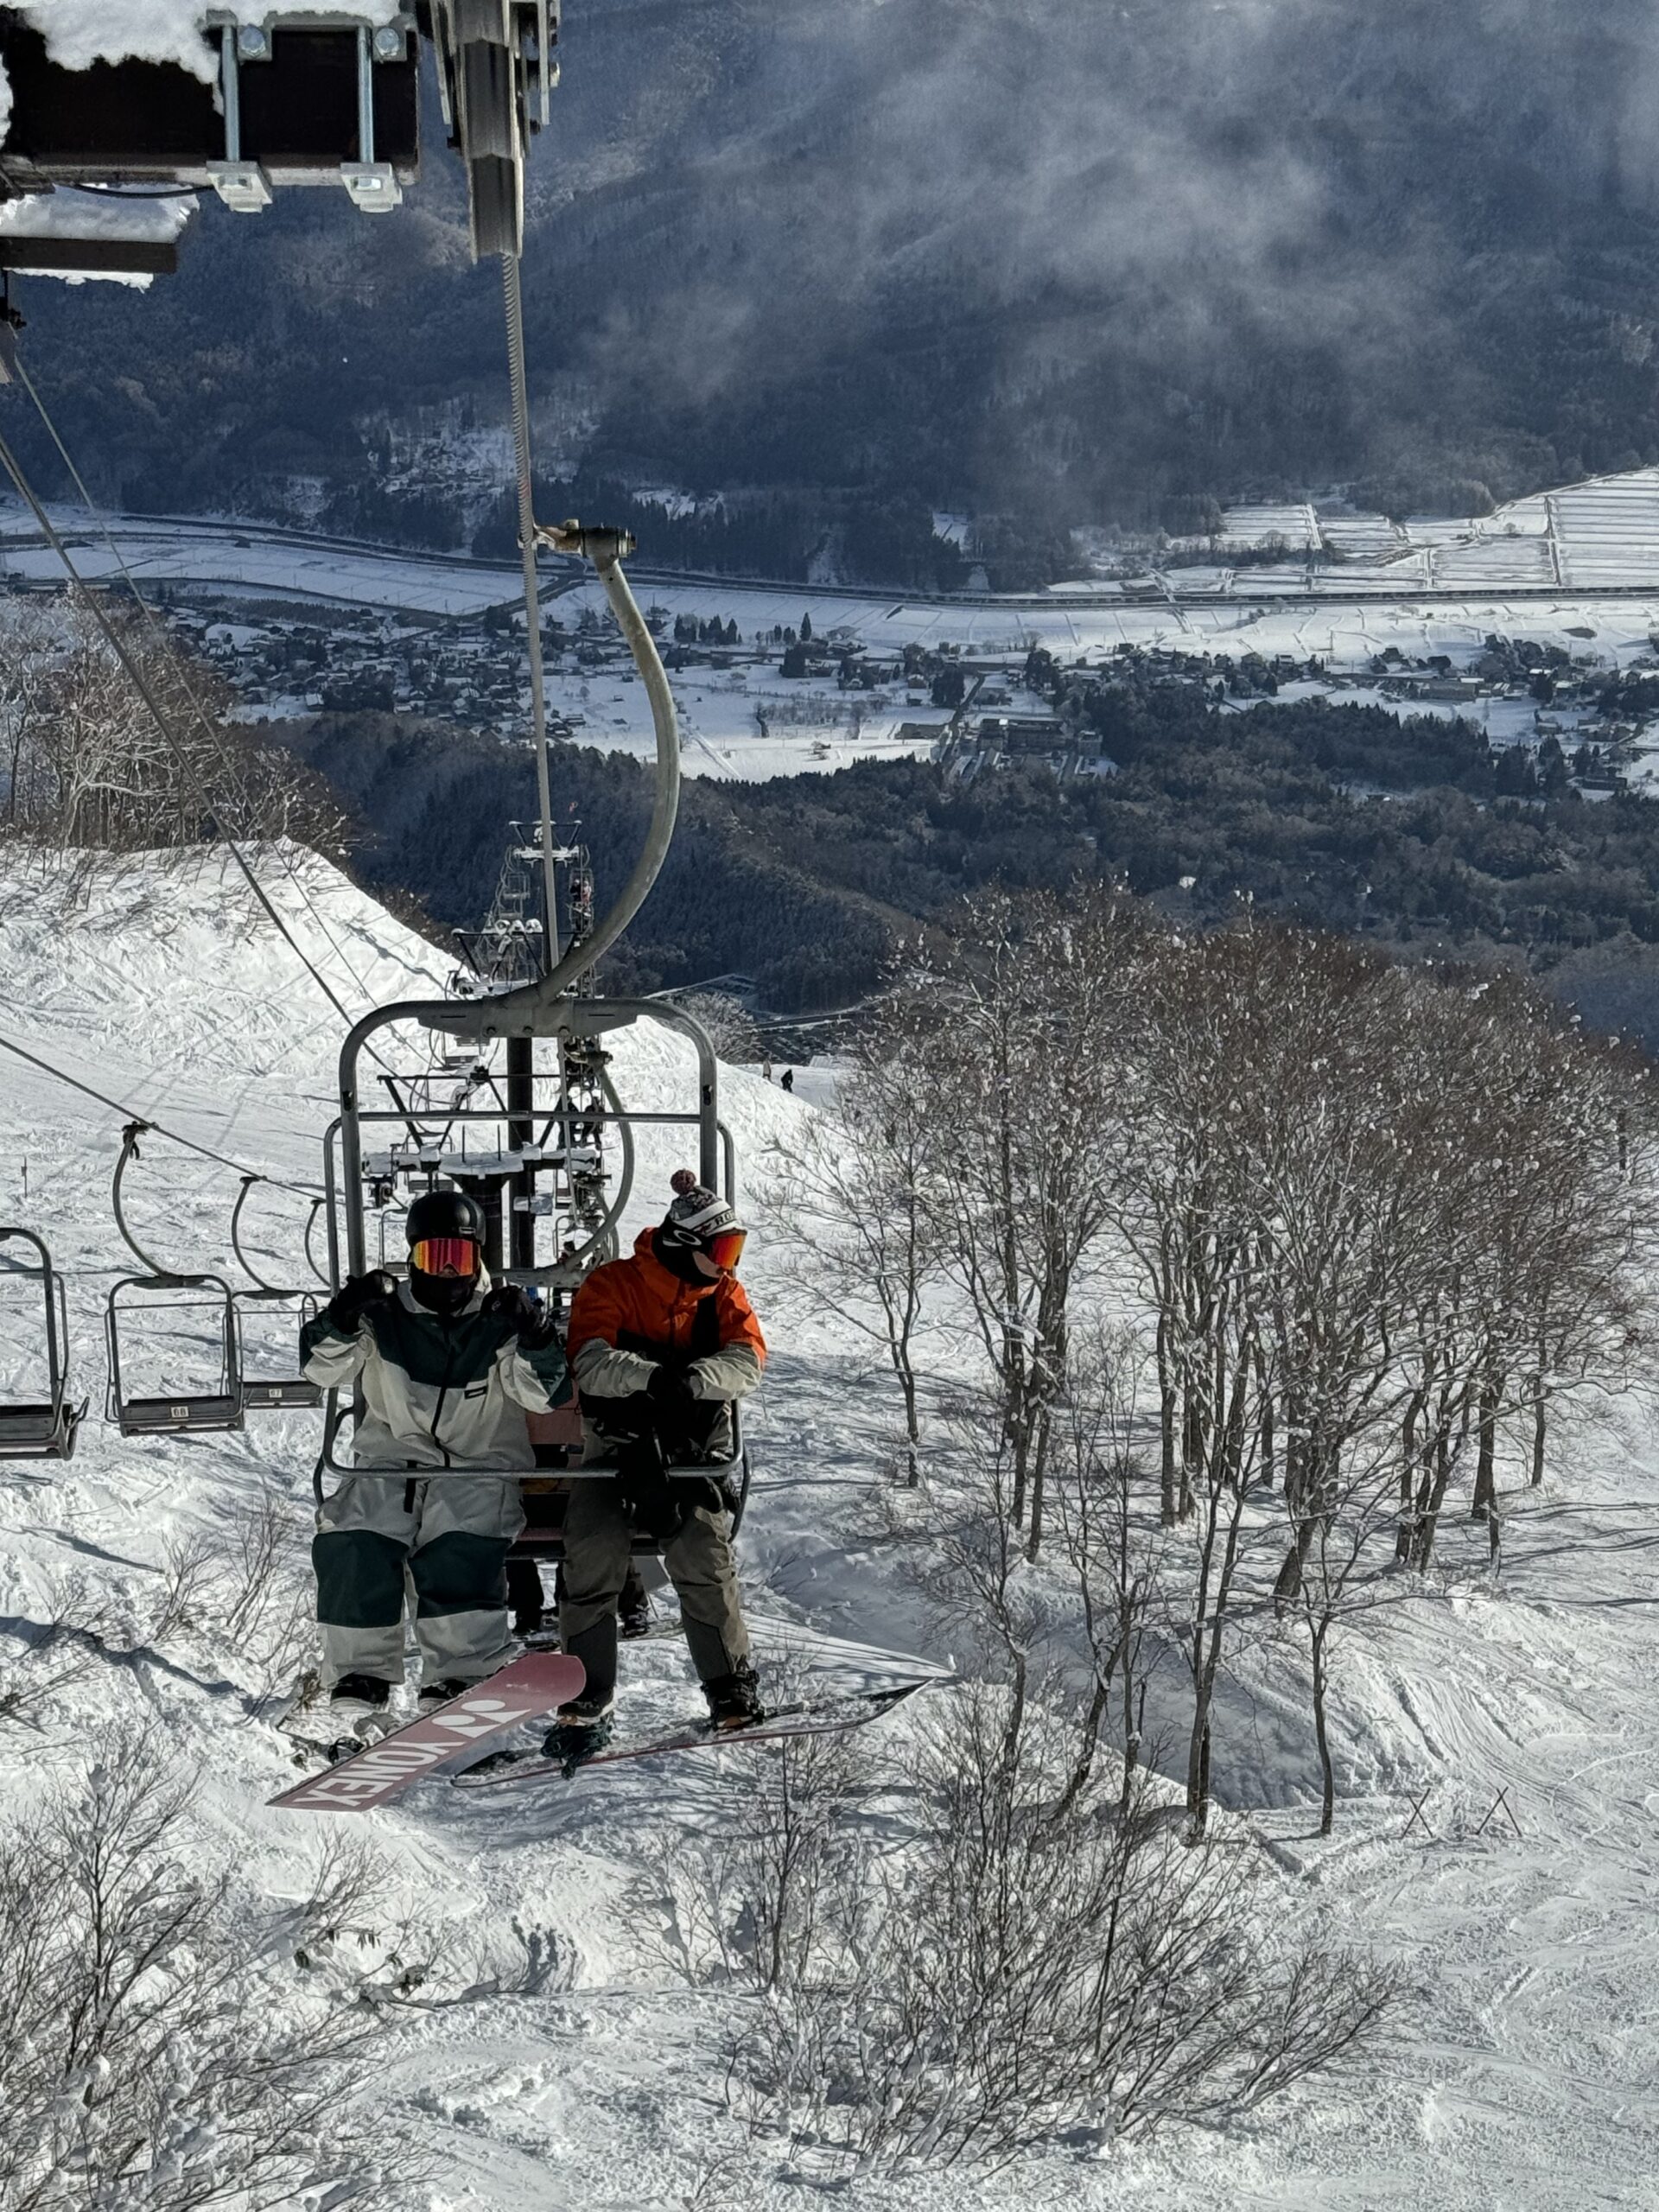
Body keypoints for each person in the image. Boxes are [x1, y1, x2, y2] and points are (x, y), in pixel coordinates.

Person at [301, 1187, 572, 1723]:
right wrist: (344, 1316)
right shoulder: (384, 1315)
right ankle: (361, 1670)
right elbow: (319, 1369)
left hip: (478, 1460)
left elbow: (544, 1395)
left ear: (479, 1258)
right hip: (391, 1458)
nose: (448, 1273)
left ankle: (461, 1668)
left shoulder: (498, 1318)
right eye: (434, 1257)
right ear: (412, 1256)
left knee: (457, 1539)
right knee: (354, 1535)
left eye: (461, 1258)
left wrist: (536, 1333)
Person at [555, 1170, 766, 1749]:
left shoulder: (722, 1294)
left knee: (701, 1546)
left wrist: (694, 1381)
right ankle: (585, 1690)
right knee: (592, 1545)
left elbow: (748, 1359)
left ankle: (729, 1684)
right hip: (616, 1450)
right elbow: (590, 1360)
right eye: (721, 1249)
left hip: (688, 1455)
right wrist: (651, 1378)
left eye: (735, 1250)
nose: (728, 1263)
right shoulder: (614, 1285)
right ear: (683, 1243)